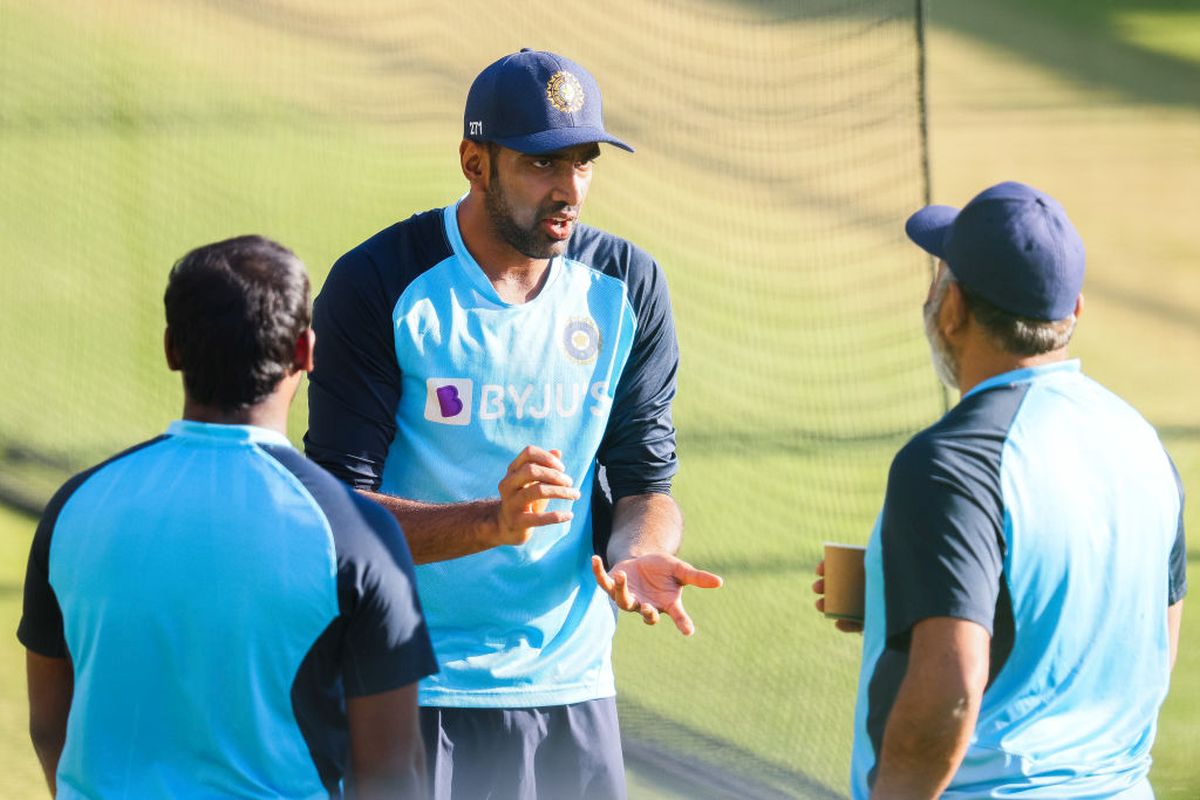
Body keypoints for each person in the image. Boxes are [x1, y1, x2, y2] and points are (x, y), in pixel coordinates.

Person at [305, 49, 722, 799]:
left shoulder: (628, 288)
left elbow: (643, 485)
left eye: (583, 163)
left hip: (573, 688)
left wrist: (639, 553)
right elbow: (339, 515)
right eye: (540, 165)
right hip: (411, 686)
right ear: (474, 162)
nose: (569, 190)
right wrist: (490, 523)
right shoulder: (380, 283)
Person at [19, 236, 438, 799]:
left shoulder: (72, 508)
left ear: (171, 349)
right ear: (305, 352)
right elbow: (390, 771)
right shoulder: (356, 534)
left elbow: (50, 728)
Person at [814, 181, 1186, 798]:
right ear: (1073, 314)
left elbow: (952, 690)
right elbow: (1149, 644)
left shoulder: (950, 464)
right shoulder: (1143, 442)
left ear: (952, 308)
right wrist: (897, 597)